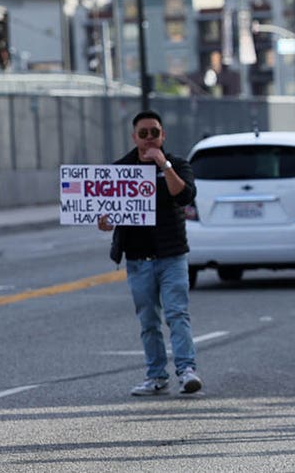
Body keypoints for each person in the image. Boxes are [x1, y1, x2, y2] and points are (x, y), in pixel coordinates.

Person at [99, 110, 201, 396]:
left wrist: (162, 164)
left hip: (172, 256)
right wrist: (105, 222)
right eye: (143, 134)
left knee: (177, 313)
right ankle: (156, 376)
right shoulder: (121, 169)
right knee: (148, 321)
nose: (148, 138)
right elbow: (110, 212)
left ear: (162, 135)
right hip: (138, 258)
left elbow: (184, 196)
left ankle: (186, 370)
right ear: (134, 137)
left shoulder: (177, 165)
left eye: (154, 133)